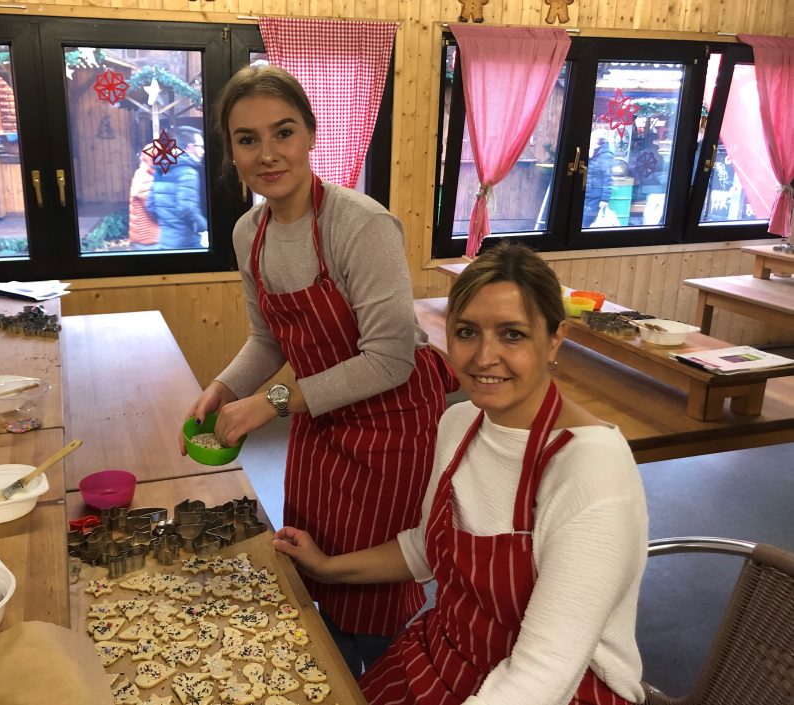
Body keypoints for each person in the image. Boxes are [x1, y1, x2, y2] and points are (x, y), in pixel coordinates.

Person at [274, 242, 648, 705]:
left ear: (554, 339)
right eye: (467, 332)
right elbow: (427, 550)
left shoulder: (590, 469)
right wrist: (328, 569)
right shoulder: (459, 424)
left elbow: (545, 673)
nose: (484, 356)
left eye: (512, 334)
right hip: (444, 656)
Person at [180, 64, 458, 676]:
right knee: (312, 561)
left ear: (310, 134)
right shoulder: (247, 232)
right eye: (247, 139)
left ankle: (382, 682)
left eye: (283, 132)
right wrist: (224, 387)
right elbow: (265, 338)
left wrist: (269, 404)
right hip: (316, 419)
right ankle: (326, 675)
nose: (268, 154)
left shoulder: (361, 225)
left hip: (391, 425)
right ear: (231, 152)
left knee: (372, 592)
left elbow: (389, 358)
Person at [146, 125, 208, 250]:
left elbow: (150, 205)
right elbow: (186, 208)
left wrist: (167, 223)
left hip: (165, 240)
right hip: (186, 242)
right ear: (190, 147)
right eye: (200, 146)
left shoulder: (162, 169)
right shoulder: (188, 172)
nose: (203, 151)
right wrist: (203, 226)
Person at [127, 148, 161, 250]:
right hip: (148, 238)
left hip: (146, 237)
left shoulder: (144, 173)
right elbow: (153, 208)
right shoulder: (145, 178)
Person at [583, 129, 615, 228]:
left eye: (592, 138)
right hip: (589, 191)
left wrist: (605, 199)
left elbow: (608, 178)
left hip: (595, 193)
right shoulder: (593, 152)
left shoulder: (605, 155)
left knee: (586, 221)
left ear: (599, 141)